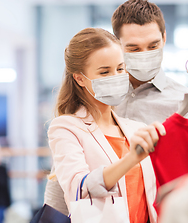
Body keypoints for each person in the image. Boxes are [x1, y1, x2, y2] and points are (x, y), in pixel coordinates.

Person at [47, 27, 165, 223]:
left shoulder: (135, 129)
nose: (116, 77)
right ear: (79, 78)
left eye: (120, 69)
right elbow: (80, 188)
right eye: (104, 72)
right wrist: (132, 157)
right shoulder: (66, 128)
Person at [111, 0, 188, 125]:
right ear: (117, 44)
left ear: (164, 38)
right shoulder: (103, 97)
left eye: (153, 47)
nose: (144, 55)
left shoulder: (187, 105)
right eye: (134, 49)